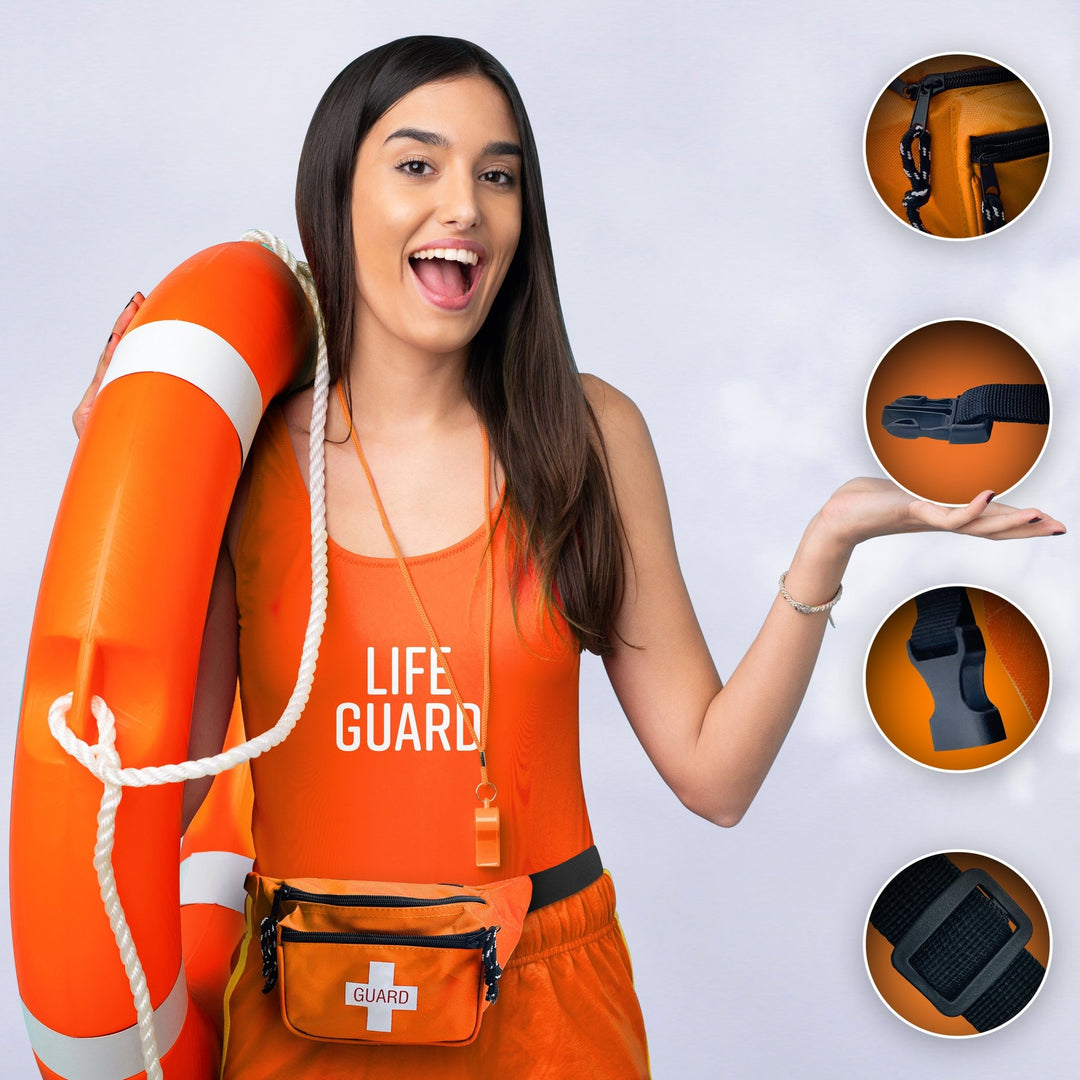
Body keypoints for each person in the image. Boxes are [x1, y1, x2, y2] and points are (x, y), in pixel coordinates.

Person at [74, 35, 1063, 1080]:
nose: (465, 205)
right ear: (337, 195)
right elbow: (152, 796)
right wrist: (124, 488)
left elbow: (714, 775)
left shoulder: (586, 436)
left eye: (498, 175)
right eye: (418, 165)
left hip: (548, 1008)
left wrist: (827, 546)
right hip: (307, 1008)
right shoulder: (248, 460)